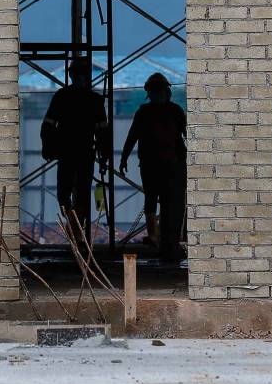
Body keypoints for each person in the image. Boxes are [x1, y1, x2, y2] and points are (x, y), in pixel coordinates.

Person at [118, 73, 187, 263]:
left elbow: (132, 137)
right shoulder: (174, 111)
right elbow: (188, 135)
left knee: (155, 202)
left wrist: (124, 158)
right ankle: (165, 242)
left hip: (157, 165)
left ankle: (160, 240)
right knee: (168, 204)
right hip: (168, 165)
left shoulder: (147, 112)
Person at [40, 57, 109, 240]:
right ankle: (77, 230)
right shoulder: (94, 100)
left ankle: (74, 227)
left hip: (67, 152)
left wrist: (48, 147)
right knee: (81, 192)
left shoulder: (63, 96)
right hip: (83, 151)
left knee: (65, 193)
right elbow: (102, 132)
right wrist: (104, 155)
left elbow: (48, 125)